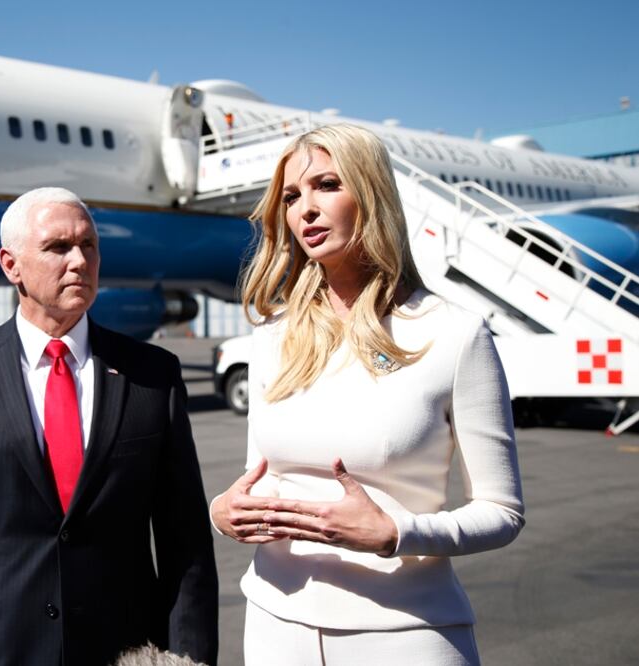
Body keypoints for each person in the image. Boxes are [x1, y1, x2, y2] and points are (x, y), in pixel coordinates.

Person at [210, 124, 525, 665]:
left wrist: (394, 533)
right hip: (272, 624)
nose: (305, 209)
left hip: (404, 630)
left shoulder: (454, 333)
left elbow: (502, 512)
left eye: (327, 185)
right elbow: (260, 479)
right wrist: (223, 510)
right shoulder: (271, 337)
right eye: (291, 196)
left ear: (372, 194)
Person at [0, 187, 218, 666]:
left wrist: (188, 659)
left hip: (125, 651)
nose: (79, 261)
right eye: (58, 247)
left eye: (89, 246)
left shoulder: (153, 374)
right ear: (11, 265)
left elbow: (183, 541)